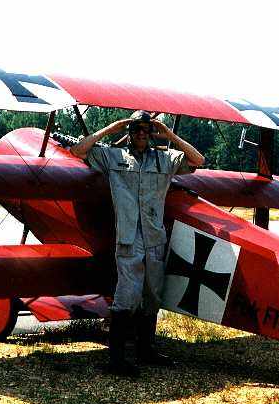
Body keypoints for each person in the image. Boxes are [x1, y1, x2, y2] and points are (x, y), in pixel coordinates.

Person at [71, 111, 204, 376]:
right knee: (127, 296)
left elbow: (197, 160)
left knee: (152, 294)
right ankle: (116, 360)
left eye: (146, 130)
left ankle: (146, 350)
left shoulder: (165, 159)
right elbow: (78, 151)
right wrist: (111, 128)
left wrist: (168, 134)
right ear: (129, 133)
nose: (141, 134)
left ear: (151, 132)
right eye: (135, 130)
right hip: (129, 239)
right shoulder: (113, 156)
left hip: (155, 238)